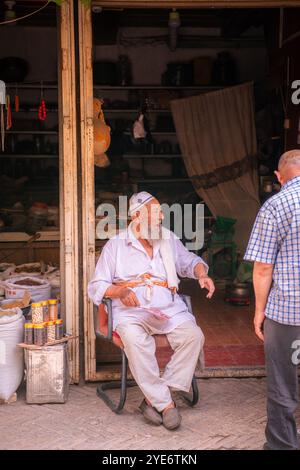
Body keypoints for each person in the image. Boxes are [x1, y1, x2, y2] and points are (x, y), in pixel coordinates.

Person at [88, 191, 215, 430]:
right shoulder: (115, 246)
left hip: (168, 309)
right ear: (137, 216)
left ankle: (151, 399)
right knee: (136, 340)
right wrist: (120, 292)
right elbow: (96, 285)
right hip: (131, 313)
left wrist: (202, 274)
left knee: (193, 336)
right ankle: (166, 405)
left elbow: (189, 261)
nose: (160, 218)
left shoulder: (167, 240)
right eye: (155, 213)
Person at [244, 149, 300, 450]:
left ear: (279, 177)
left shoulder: (276, 205)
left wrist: (259, 311)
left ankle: (282, 445)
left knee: (282, 381)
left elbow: (264, 267)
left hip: (289, 311)